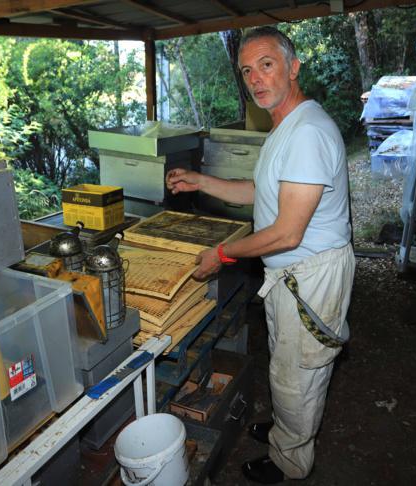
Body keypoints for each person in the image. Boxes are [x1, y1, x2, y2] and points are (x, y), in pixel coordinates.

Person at [165, 26, 355, 484]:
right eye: (247, 70)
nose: (256, 78)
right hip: (294, 273)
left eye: (266, 64)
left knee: (299, 373)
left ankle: (291, 459)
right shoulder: (286, 126)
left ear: (293, 67)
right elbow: (263, 192)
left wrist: (222, 254)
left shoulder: (307, 132)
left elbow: (286, 232)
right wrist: (201, 181)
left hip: (309, 274)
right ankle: (290, 429)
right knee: (288, 362)